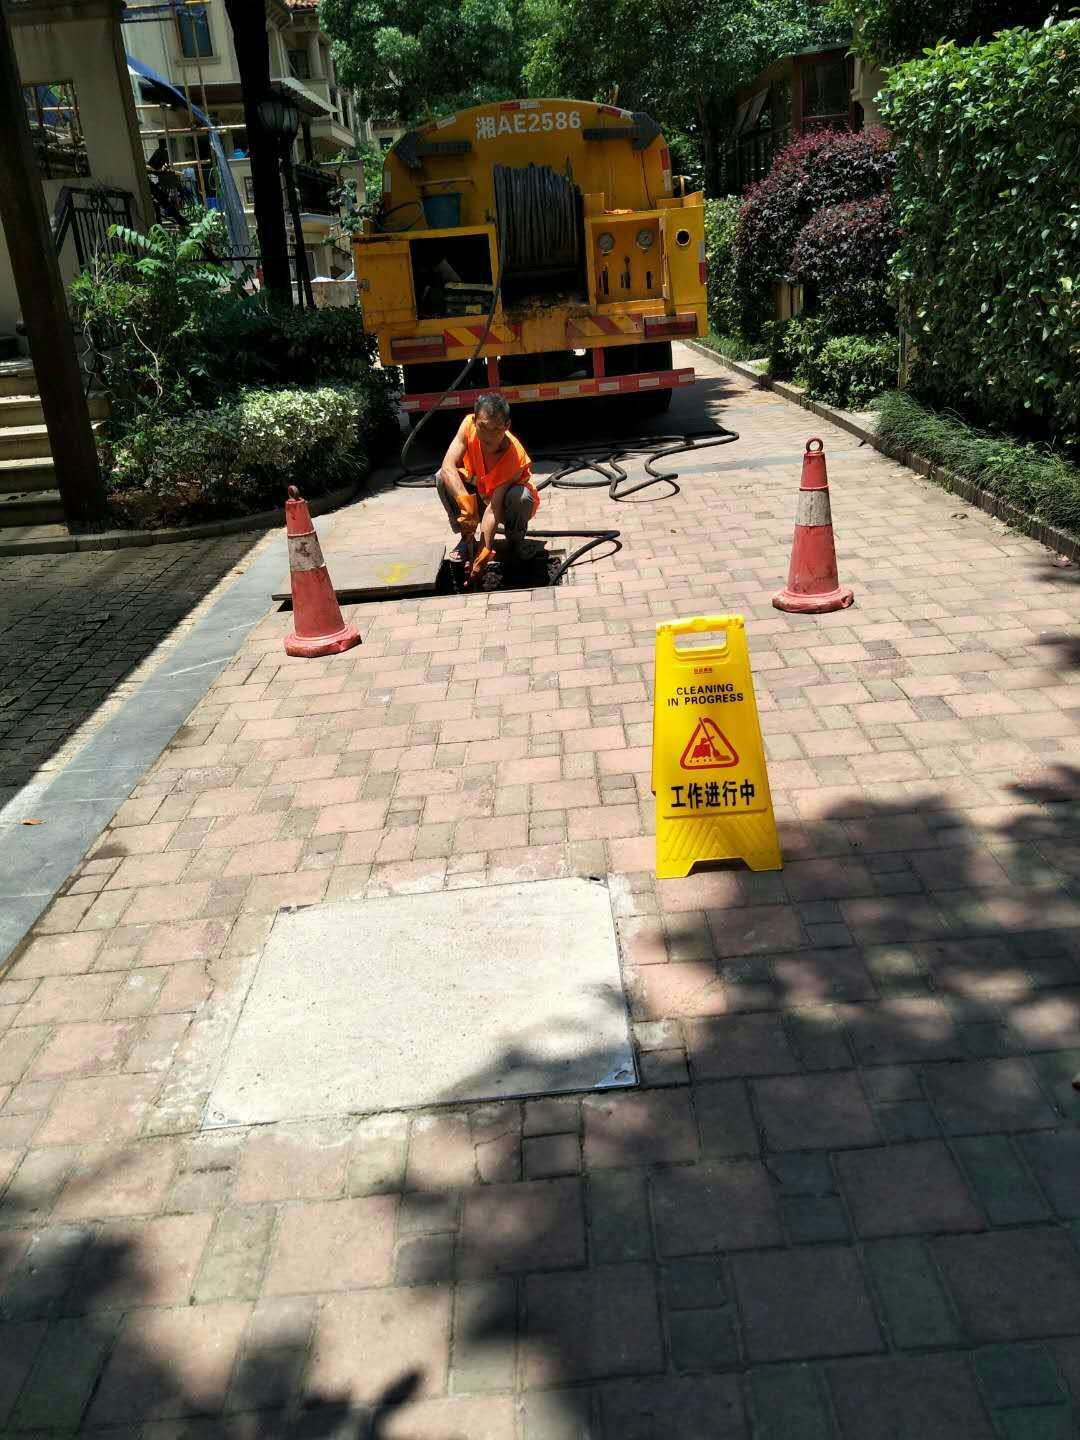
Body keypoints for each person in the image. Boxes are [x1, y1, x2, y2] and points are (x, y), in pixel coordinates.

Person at [435, 393, 540, 579]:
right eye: (483, 427)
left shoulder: (515, 457)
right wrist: (465, 503)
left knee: (520, 496)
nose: (488, 436)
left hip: (505, 506)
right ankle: (466, 538)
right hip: (480, 495)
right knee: (443, 478)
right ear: (476, 420)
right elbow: (447, 466)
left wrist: (485, 549)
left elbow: (494, 509)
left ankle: (515, 542)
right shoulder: (468, 425)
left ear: (507, 426)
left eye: (496, 429)